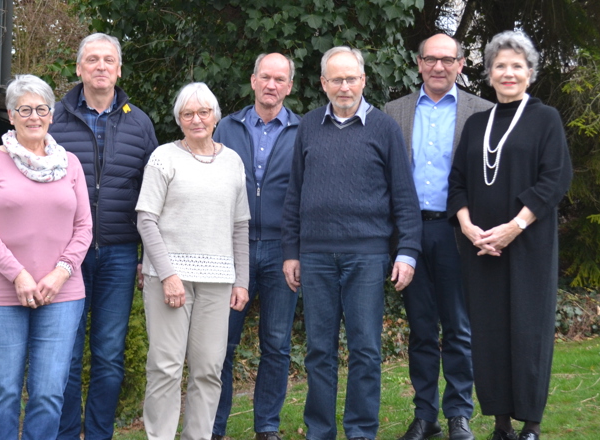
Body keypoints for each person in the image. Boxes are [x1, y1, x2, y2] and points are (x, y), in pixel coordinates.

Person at [281, 46, 422, 440]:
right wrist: (290, 252)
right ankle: (320, 431)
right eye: (336, 79)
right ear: (323, 83)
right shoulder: (308, 126)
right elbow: (295, 193)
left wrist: (407, 251)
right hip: (316, 256)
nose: (345, 86)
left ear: (363, 80)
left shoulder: (384, 128)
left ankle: (361, 431)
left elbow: (404, 196)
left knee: (365, 350)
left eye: (352, 78)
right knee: (318, 352)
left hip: (367, 255)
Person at [447, 31, 572, 440]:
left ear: (530, 73)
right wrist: (467, 227)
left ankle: (530, 423)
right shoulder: (476, 123)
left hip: (528, 244)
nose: (508, 73)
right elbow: (459, 181)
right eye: (500, 65)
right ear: (488, 73)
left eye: (517, 66)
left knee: (528, 330)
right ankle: (500, 421)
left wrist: (515, 226)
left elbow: (555, 179)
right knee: (489, 331)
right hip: (481, 247)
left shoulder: (545, 118)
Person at [0, 74, 93, 440]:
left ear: (51, 115)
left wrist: (60, 274)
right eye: (25, 109)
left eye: (41, 109)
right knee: (3, 392)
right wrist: (18, 275)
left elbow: (84, 228)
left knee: (49, 393)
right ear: (11, 114)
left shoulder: (70, 165)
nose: (33, 116)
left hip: (61, 295)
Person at [384, 34, 492, 440]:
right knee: (422, 328)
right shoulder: (394, 113)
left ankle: (459, 414)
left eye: (447, 59)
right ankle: (425, 414)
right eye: (431, 59)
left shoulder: (481, 111)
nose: (438, 67)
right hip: (410, 234)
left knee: (460, 328)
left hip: (458, 233)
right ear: (418, 63)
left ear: (462, 64)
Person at [54, 33, 159, 440]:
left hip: (119, 253)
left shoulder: (139, 122)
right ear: (79, 68)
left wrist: (146, 256)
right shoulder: (55, 118)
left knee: (109, 355)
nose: (101, 66)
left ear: (119, 69)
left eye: (108, 60)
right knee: (66, 352)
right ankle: (65, 433)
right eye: (92, 59)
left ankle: (99, 433)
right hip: (65, 256)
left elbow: (153, 196)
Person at [136, 82, 251, 440]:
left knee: (208, 369)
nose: (197, 119)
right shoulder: (163, 157)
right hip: (170, 280)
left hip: (218, 281)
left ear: (216, 117)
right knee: (165, 367)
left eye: (204, 112)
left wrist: (242, 279)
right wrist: (168, 275)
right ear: (179, 119)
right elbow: (146, 219)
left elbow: (240, 225)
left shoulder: (232, 161)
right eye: (188, 113)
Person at [212, 53, 301, 440]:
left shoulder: (304, 129)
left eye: (280, 79)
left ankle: (266, 427)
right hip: (233, 249)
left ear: (290, 86)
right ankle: (214, 426)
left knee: (277, 345)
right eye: (266, 77)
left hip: (283, 251)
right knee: (222, 345)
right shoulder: (225, 127)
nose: (272, 85)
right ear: (253, 80)